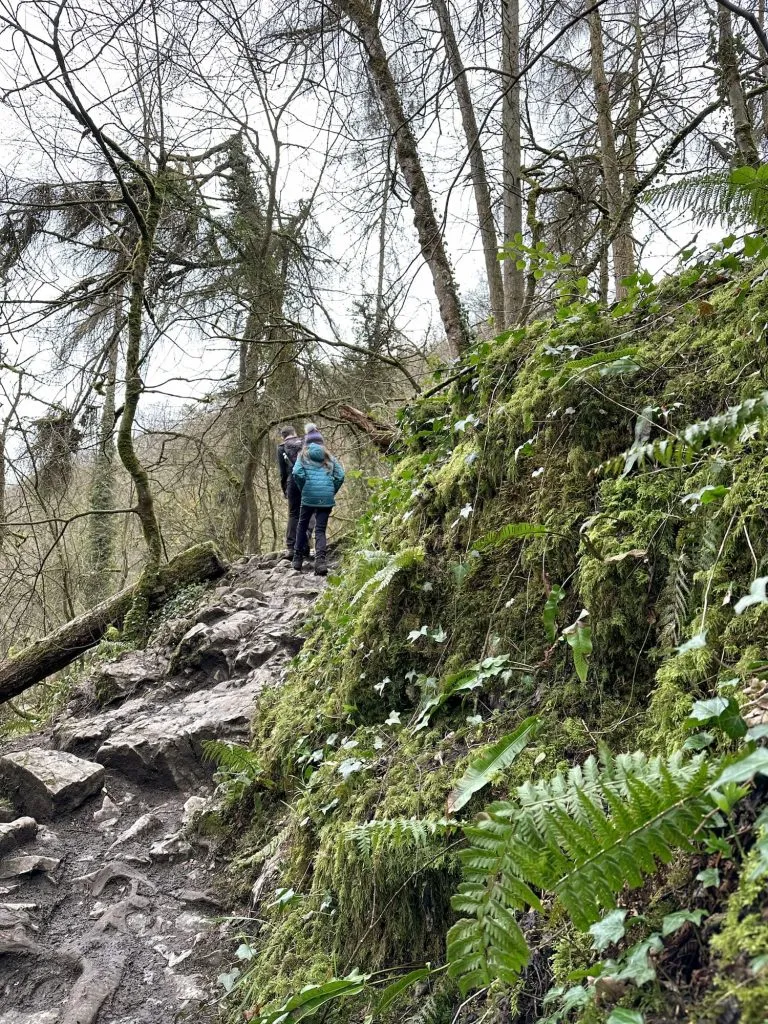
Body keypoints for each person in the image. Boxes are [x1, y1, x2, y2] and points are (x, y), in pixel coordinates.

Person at [291, 437, 345, 576]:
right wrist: (331, 490)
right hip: (326, 497)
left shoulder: (302, 456)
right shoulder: (328, 457)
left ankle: (297, 560)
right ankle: (320, 563)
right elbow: (340, 475)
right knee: (320, 530)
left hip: (308, 496)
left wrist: (304, 487)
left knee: (302, 526)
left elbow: (297, 473)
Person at [276, 425, 310, 561]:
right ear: (294, 433)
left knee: (293, 513)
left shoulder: (281, 448)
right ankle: (305, 541)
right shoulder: (305, 442)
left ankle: (291, 548)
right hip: (307, 480)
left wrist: (284, 488)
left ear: (283, 437)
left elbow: (282, 472)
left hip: (292, 481)